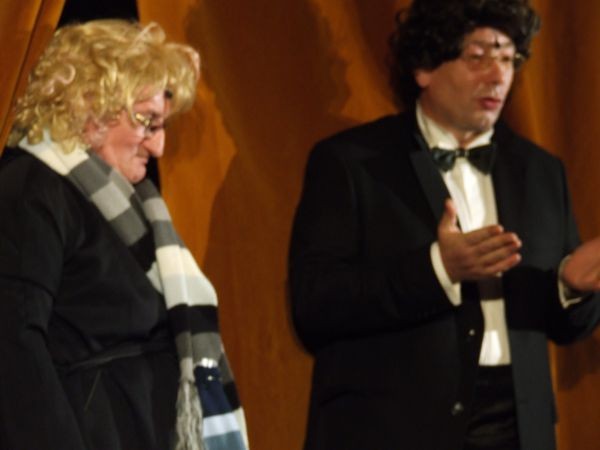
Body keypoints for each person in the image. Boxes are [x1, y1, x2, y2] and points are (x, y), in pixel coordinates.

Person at [289, 1, 600, 449]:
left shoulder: (541, 171)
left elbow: (563, 327)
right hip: (393, 432)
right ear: (424, 68)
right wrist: (438, 269)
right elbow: (314, 307)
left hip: (518, 431)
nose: (498, 76)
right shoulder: (350, 163)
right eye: (478, 56)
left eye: (508, 59)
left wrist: (570, 287)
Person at [0, 19, 248, 450]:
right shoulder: (31, 190)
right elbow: (12, 346)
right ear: (89, 104)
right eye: (147, 122)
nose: (159, 147)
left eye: (162, 125)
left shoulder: (132, 206)